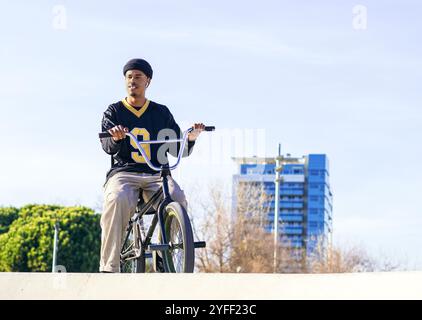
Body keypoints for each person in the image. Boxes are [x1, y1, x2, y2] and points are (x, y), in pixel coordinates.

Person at [99, 58, 204, 273]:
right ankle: (109, 267)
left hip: (156, 174)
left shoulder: (161, 113)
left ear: (148, 81)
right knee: (116, 199)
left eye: (138, 77)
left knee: (177, 197)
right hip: (124, 173)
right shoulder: (114, 112)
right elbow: (107, 146)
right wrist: (117, 138)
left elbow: (177, 149)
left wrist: (191, 137)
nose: (133, 81)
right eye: (129, 77)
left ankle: (163, 256)